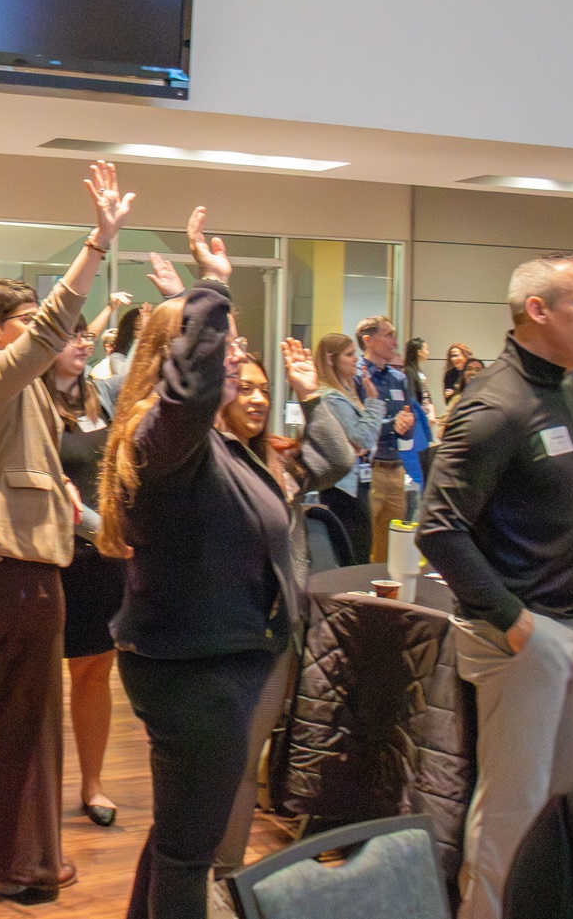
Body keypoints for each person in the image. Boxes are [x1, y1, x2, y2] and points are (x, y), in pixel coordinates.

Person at [417, 251, 573, 919]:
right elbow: (439, 528)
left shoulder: (569, 384)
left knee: (564, 805)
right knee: (512, 807)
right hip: (525, 633)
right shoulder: (496, 405)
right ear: (538, 310)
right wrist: (511, 619)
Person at [95, 207, 311, 919]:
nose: (235, 359)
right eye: (221, 348)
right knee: (192, 854)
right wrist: (212, 285)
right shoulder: (167, 436)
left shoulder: (206, 445)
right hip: (195, 670)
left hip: (215, 661)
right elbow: (186, 395)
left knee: (178, 836)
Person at [0, 160, 134, 903]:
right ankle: (26, 866)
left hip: (5, 564)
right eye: (30, 323)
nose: (57, 335)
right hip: (17, 566)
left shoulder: (21, 394)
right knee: (32, 722)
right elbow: (55, 327)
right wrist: (96, 243)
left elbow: (64, 347)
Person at [213, 344, 355, 876]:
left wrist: (311, 395)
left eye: (264, 390)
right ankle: (194, 872)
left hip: (272, 631)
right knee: (215, 763)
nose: (256, 398)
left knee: (249, 760)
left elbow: (340, 461)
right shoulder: (208, 458)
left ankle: (227, 874)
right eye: (244, 387)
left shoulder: (280, 459)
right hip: (220, 633)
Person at [44, 313, 126, 828]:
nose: (83, 343)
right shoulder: (31, 402)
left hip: (105, 562)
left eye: (87, 335)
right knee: (43, 681)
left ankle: (92, 784)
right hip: (54, 559)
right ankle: (36, 793)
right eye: (72, 335)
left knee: (95, 671)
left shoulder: (101, 397)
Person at [314, 332, 384, 562]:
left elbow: (365, 444)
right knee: (352, 555)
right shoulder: (332, 398)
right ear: (331, 359)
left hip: (357, 483)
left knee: (361, 550)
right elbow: (363, 438)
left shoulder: (347, 394)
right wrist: (373, 402)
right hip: (343, 489)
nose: (357, 359)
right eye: (349, 354)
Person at [354, 315, 418, 562]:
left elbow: (407, 425)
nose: (395, 342)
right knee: (365, 544)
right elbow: (359, 427)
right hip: (370, 472)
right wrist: (393, 424)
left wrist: (407, 425)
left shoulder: (399, 378)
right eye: (388, 335)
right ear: (369, 340)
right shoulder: (358, 377)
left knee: (390, 550)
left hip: (396, 470)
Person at [404, 336, 434, 415]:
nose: (428, 352)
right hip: (419, 412)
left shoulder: (419, 371)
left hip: (426, 411)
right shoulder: (409, 371)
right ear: (419, 352)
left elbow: (426, 392)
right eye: (426, 349)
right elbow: (412, 394)